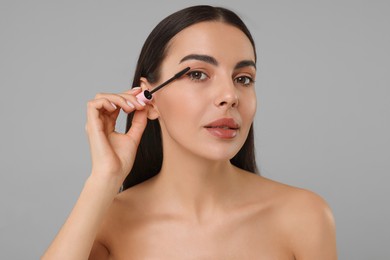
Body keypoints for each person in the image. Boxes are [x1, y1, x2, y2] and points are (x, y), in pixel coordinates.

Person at [42, 5, 337, 259]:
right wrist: (103, 179)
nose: (230, 95)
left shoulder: (304, 216)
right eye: (197, 74)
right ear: (149, 98)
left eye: (243, 79)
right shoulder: (107, 222)